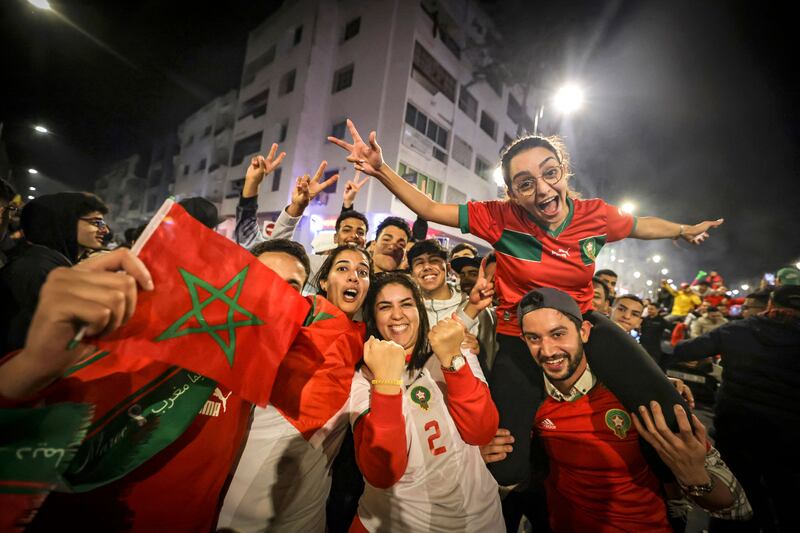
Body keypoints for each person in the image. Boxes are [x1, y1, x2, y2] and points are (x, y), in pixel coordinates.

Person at [329, 120, 715, 485]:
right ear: (512, 193)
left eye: (550, 173)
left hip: (582, 325)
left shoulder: (595, 216)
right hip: (519, 335)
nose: (543, 190)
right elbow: (430, 209)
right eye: (525, 183)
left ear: (564, 170)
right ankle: (546, 484)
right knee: (507, 464)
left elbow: (639, 225)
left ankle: (671, 490)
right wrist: (380, 169)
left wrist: (681, 230)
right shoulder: (499, 218)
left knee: (671, 412)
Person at [519, 288, 750, 531]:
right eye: (534, 338)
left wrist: (694, 477)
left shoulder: (635, 395)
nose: (547, 350)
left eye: (558, 334)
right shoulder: (528, 400)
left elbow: (735, 506)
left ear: (584, 332)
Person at [219, 244, 371, 533]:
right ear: (324, 282)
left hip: (309, 499)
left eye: (362, 272)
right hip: (250, 479)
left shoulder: (368, 343)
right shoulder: (306, 311)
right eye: (342, 268)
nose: (354, 277)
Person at [348, 272, 503, 532]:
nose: (398, 315)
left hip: (481, 519)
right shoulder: (361, 379)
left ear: (419, 309)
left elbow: (481, 430)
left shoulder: (455, 348)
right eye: (385, 307)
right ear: (373, 318)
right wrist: (386, 383)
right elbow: (383, 473)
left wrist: (453, 361)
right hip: (396, 523)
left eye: (406, 304)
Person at [668, 285, 800, 532]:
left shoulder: (739, 330)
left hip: (737, 431)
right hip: (790, 441)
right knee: (785, 499)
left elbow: (684, 350)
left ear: (770, 305)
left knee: (734, 500)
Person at [0, 192, 110, 353]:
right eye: (97, 222)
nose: (105, 230)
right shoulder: (36, 269)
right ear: (65, 222)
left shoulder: (51, 264)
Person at [640, 302, 671, 368]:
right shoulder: (645, 320)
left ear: (657, 310)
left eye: (651, 309)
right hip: (643, 346)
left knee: (651, 367)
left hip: (655, 349)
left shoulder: (662, 321)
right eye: (648, 309)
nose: (649, 311)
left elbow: (669, 332)